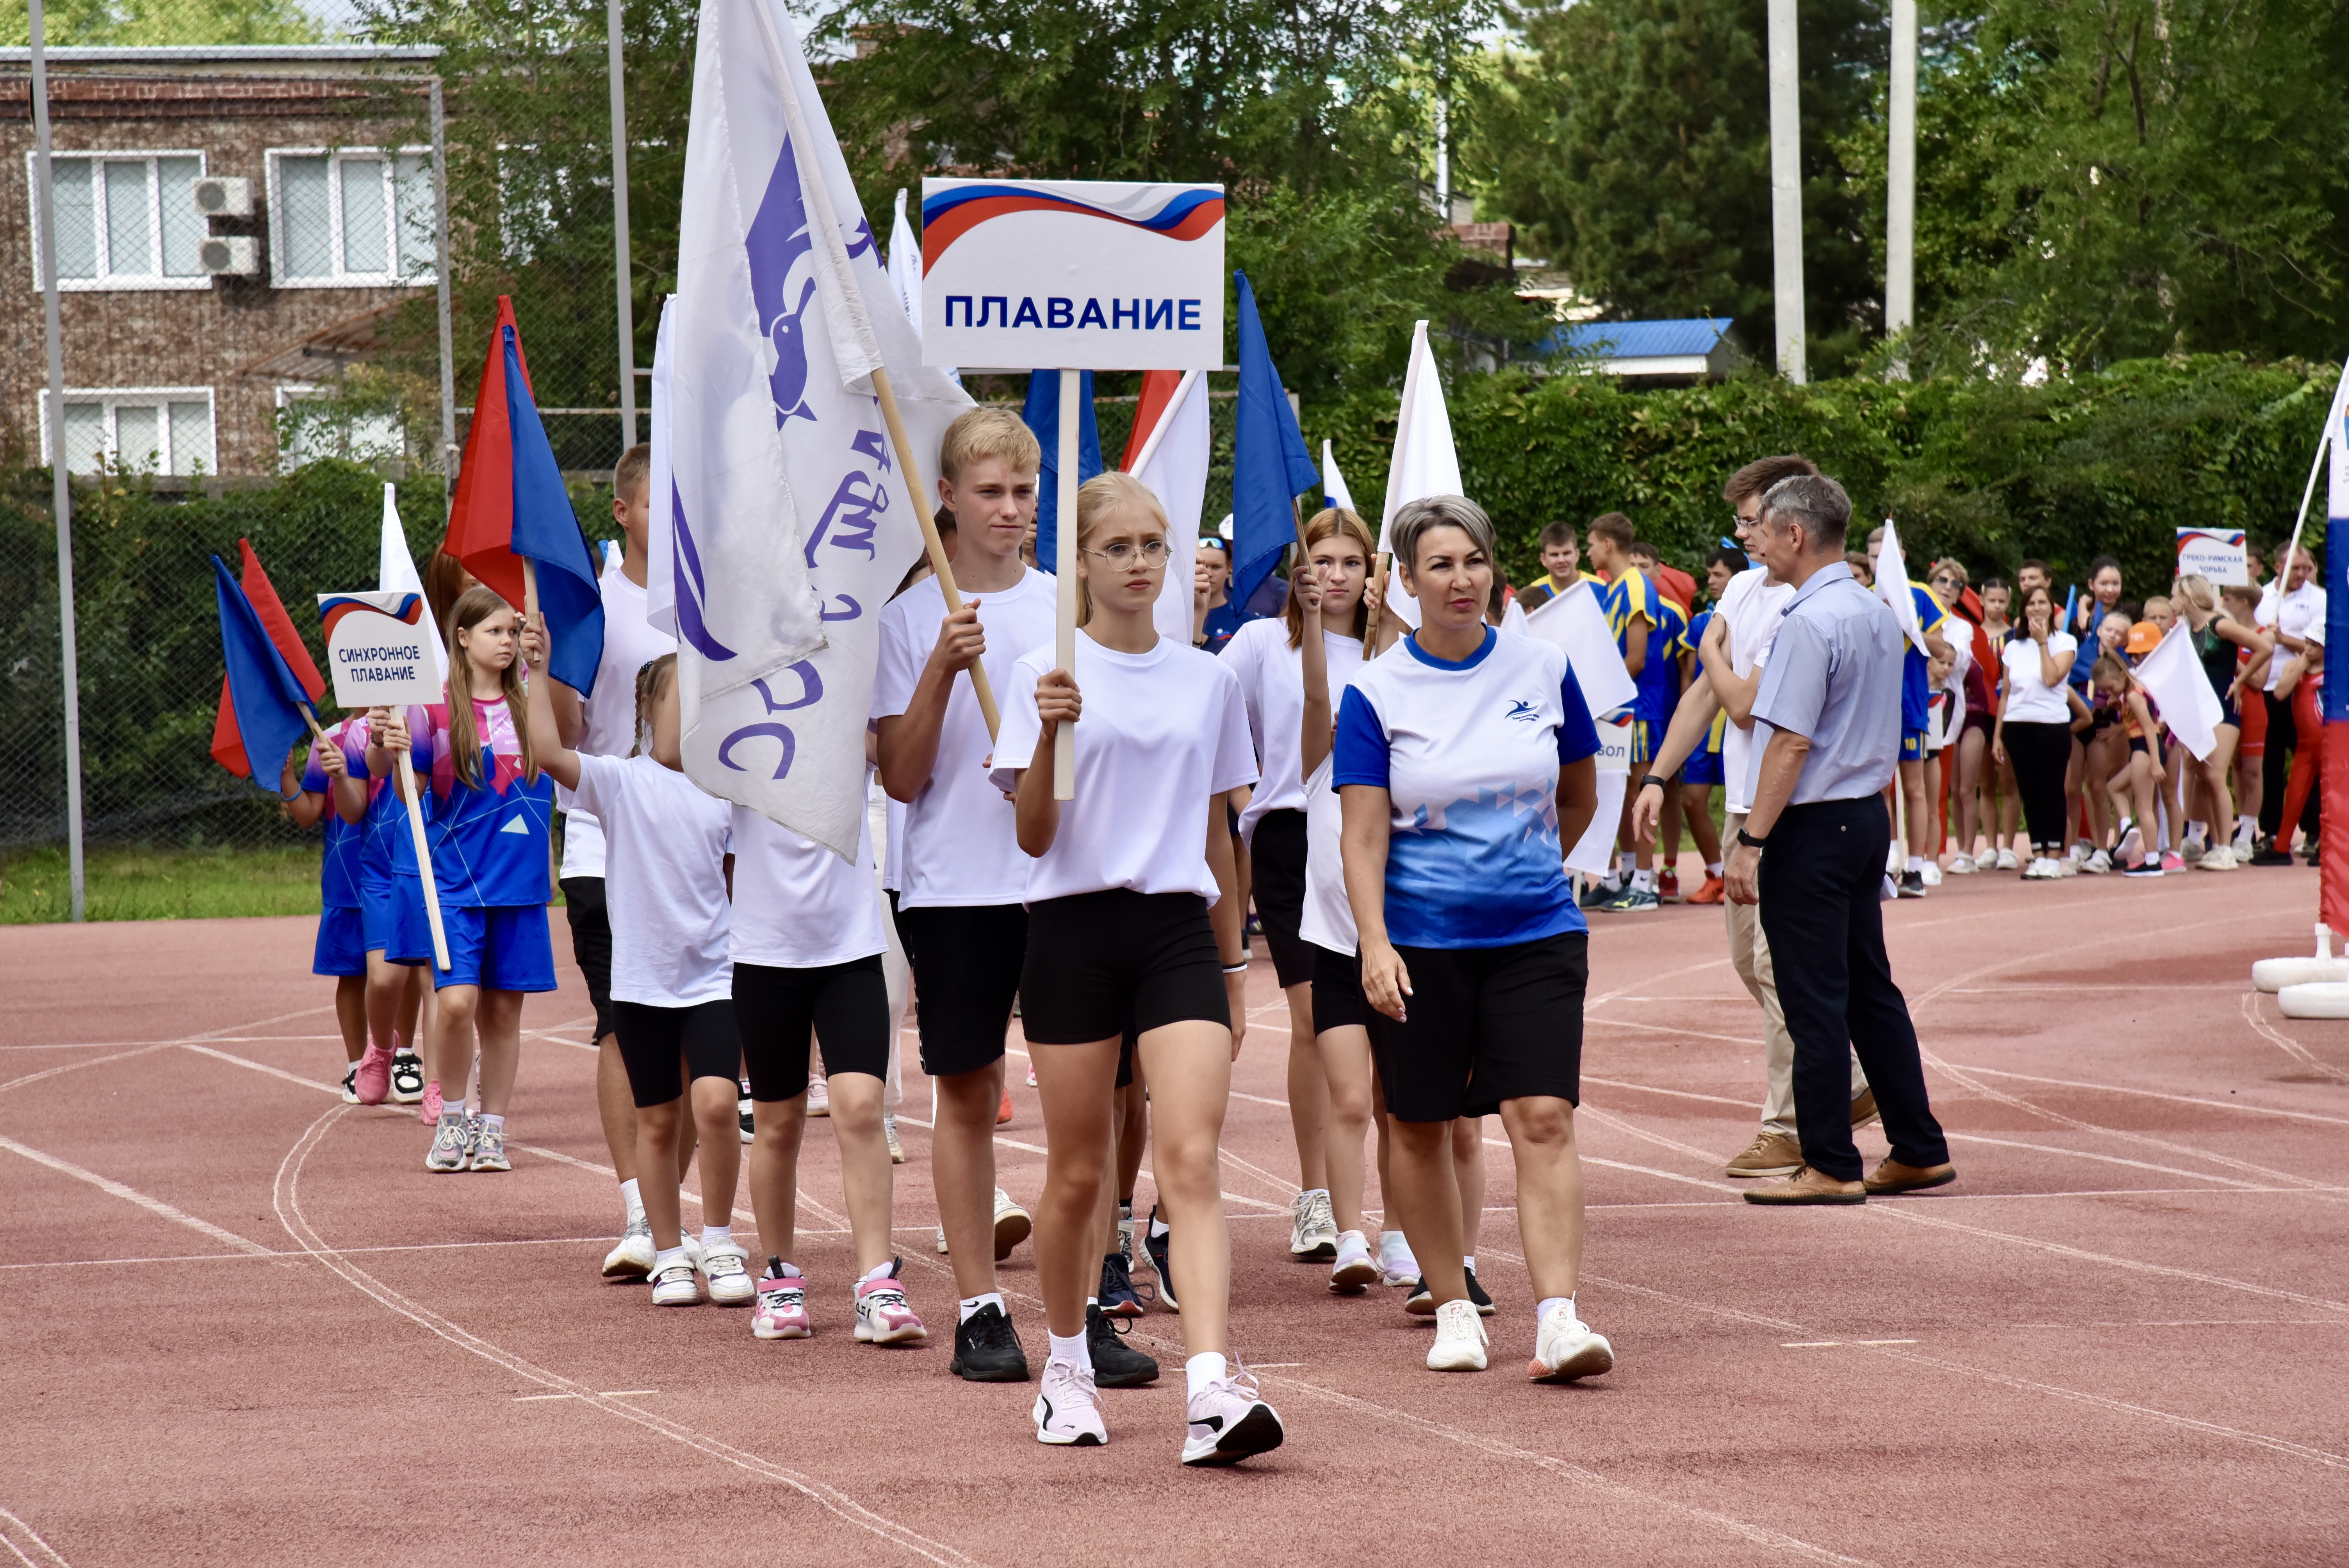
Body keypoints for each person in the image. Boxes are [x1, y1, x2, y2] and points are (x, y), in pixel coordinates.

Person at [993, 470, 1281, 1463]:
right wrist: (1047, 730)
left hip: (1174, 930)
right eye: (1117, 546)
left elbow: (1217, 828)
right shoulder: (1044, 668)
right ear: (1078, 560)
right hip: (1070, 931)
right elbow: (1030, 835)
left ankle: (1210, 1384)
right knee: (1079, 1172)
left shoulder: (1207, 678)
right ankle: (1065, 1365)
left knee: (1190, 1157)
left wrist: (1235, 965)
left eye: (1152, 545)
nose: (1139, 563)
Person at [1337, 493, 1615, 1383]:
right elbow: (1363, 834)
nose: (1461, 579)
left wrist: (1524, 870)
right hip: (1416, 945)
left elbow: (1578, 790)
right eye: (1440, 564)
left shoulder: (1540, 666)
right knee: (1416, 1125)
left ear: (1495, 570)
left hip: (1535, 932)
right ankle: (1451, 1303)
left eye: (1474, 561)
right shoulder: (1374, 690)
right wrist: (1374, 941)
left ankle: (1559, 1319)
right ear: (1406, 581)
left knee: (1542, 1117)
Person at [1633, 454, 1875, 1181]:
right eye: (1739, 522)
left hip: (1790, 810)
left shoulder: (1806, 602)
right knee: (1753, 964)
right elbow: (1705, 701)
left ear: (1787, 524)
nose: (1743, 537)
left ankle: (1791, 1124)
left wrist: (1708, 650)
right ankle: (1854, 1080)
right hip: (1744, 805)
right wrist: (1657, 775)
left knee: (1781, 970)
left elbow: (1744, 702)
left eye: (1751, 522)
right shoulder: (1740, 589)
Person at [873, 406, 1048, 1383]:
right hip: (953, 889)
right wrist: (942, 662)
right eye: (990, 491)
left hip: (1056, 881)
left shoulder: (1069, 605)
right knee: (969, 1092)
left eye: (1023, 491)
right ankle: (979, 1304)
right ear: (945, 496)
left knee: (1086, 1094)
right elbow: (900, 775)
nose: (1010, 508)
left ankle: (1087, 1293)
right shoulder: (906, 621)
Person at [1724, 474, 1953, 1205]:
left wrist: (1751, 840)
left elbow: (1788, 743)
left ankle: (1829, 1160)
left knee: (1812, 996)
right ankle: (1916, 1145)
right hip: (1866, 815)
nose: (1753, 539)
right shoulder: (1879, 612)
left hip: (1815, 822)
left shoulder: (1807, 621)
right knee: (1869, 992)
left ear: (1797, 535)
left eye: (1764, 526)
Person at [526, 650, 753, 1308]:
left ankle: (717, 1237)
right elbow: (547, 750)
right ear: (650, 709)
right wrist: (538, 673)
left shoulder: (728, 791)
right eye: (685, 696)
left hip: (713, 978)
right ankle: (671, 1253)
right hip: (642, 984)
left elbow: (739, 879)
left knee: (714, 1106)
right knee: (657, 1122)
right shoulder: (620, 781)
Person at [1219, 508, 1388, 1271]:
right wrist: (1243, 806)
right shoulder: (1263, 642)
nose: (1335, 573)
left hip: (1375, 840)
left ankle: (1390, 1198)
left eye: (1350, 560)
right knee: (1309, 1018)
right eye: (1321, 559)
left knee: (1376, 1016)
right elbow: (1216, 718)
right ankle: (1314, 1194)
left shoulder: (1390, 652)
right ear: (1301, 569)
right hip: (1290, 837)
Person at [545, 444, 686, 1281]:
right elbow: (563, 730)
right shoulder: (593, 607)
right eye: (658, 506)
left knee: (698, 1028)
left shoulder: (714, 604)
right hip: (605, 837)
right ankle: (638, 1207)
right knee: (620, 1019)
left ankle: (676, 1200)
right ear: (624, 513)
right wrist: (545, 661)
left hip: (699, 842)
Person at [372, 586, 559, 1174]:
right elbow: (408, 792)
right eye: (495, 632)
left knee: (504, 1015)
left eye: (511, 632)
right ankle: (453, 1117)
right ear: (462, 637)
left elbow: (567, 749)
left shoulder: (535, 702)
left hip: (520, 885)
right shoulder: (433, 710)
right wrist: (389, 747)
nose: (506, 642)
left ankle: (493, 1128)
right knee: (455, 1005)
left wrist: (545, 665)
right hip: (455, 883)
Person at [1586, 512, 1680, 911]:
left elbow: (1637, 659)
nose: (1588, 551)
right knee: (1620, 792)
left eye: (1590, 543)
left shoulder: (1636, 588)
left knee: (1642, 792)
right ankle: (1625, 875)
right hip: (1619, 706)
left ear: (1608, 544)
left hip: (1638, 706)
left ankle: (1644, 881)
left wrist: (1599, 692)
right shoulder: (1614, 588)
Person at [287, 719, 376, 1101]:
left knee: (404, 971)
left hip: (399, 871)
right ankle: (359, 1065)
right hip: (347, 876)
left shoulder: (412, 727)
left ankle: (404, 1056)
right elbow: (309, 813)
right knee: (352, 975)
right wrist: (285, 775)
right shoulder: (329, 739)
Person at [1864, 527, 1955, 898]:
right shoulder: (1862, 596)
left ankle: (1916, 867)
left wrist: (1909, 625)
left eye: (1883, 554)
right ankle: (1883, 865)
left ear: (1900, 555)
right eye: (1871, 556)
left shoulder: (1919, 594)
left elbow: (1941, 647)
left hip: (1910, 704)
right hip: (1872, 709)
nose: (1877, 561)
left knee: (1914, 788)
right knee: (1877, 789)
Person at [2172, 574, 2265, 871]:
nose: (2173, 601)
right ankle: (2210, 841)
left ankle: (2225, 848)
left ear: (2188, 597)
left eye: (2176, 596)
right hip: (2198, 711)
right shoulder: (2185, 630)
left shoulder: (2219, 625)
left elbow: (2263, 647)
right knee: (2200, 776)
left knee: (2215, 775)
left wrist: (2241, 682)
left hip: (2223, 710)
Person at [1994, 583, 2080, 879]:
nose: (2037, 608)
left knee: (2051, 790)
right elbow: (2006, 693)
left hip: (2051, 725)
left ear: (2052, 607)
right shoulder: (2014, 647)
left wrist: (2043, 643)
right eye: (2031, 604)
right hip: (2017, 725)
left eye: (2042, 603)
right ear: (2024, 609)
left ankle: (2054, 856)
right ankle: (2039, 852)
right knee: (2029, 793)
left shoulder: (2065, 642)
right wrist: (1998, 735)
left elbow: (2052, 677)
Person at [2253, 543, 2324, 863]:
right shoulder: (2263, 598)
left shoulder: (2318, 598)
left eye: (2305, 567)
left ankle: (2315, 831)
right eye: (2295, 568)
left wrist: (2284, 640)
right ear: (2278, 568)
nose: (2302, 574)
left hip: (2308, 690)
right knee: (2271, 762)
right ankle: (2270, 831)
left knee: (2310, 761)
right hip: (2268, 687)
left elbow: (2320, 644)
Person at [2088, 651, 2166, 877]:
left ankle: (2152, 861)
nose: (2111, 693)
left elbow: (2150, 727)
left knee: (2143, 807)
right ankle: (2125, 826)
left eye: (2111, 687)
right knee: (2114, 787)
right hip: (2142, 748)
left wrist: (2156, 762)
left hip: (2144, 748)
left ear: (2122, 675)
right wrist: (2116, 705)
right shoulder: (2134, 690)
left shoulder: (2132, 696)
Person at [1193, 527, 1246, 654]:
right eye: (1201, 565)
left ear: (1231, 567)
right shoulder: (1173, 620)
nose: (1208, 573)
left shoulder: (1247, 625)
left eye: (1216, 567)